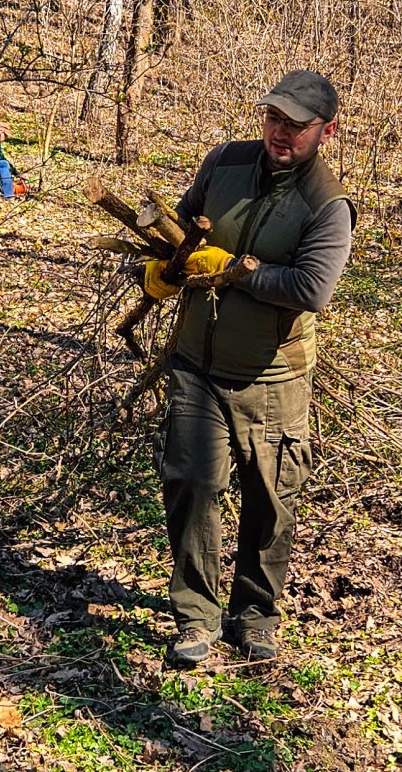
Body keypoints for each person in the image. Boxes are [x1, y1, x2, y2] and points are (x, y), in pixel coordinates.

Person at [145, 70, 356, 667]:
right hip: (197, 362)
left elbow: (312, 288)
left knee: (270, 499)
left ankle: (256, 615)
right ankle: (196, 616)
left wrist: (235, 269)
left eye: (296, 124)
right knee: (191, 482)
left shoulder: (327, 204)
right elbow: (182, 230)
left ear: (326, 131)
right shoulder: (225, 164)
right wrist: (165, 267)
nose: (279, 132)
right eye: (273, 118)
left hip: (273, 376)